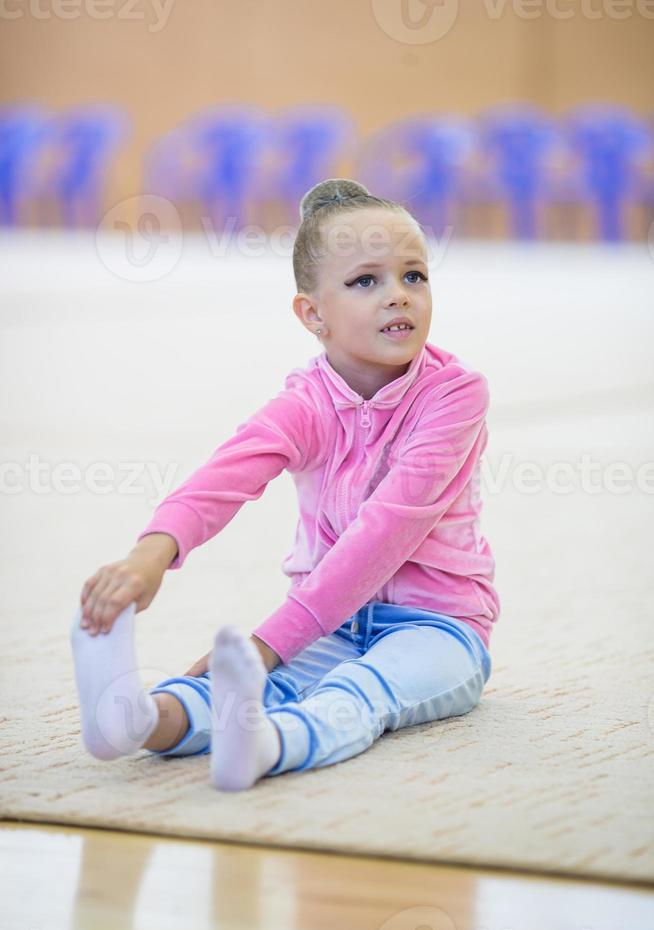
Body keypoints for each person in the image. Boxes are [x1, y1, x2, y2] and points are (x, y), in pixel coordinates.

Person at [69, 177, 500, 792]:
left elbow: (387, 531)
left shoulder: (456, 394)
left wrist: (272, 641)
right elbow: (226, 476)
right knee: (255, 685)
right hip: (333, 621)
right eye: (365, 281)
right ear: (312, 314)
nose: (399, 297)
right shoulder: (307, 402)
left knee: (359, 691)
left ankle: (270, 745)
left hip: (440, 628)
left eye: (414, 276)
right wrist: (150, 556)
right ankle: (138, 720)